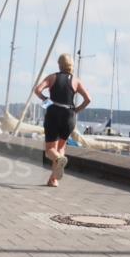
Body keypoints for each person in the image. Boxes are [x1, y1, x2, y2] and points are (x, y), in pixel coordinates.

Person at [33, 53, 91, 186]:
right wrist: (76, 110)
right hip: (69, 115)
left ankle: (59, 159)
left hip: (54, 113)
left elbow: (37, 90)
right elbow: (88, 99)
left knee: (50, 150)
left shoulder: (52, 77)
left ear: (60, 64)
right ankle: (53, 179)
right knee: (61, 146)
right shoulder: (76, 81)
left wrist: (46, 101)